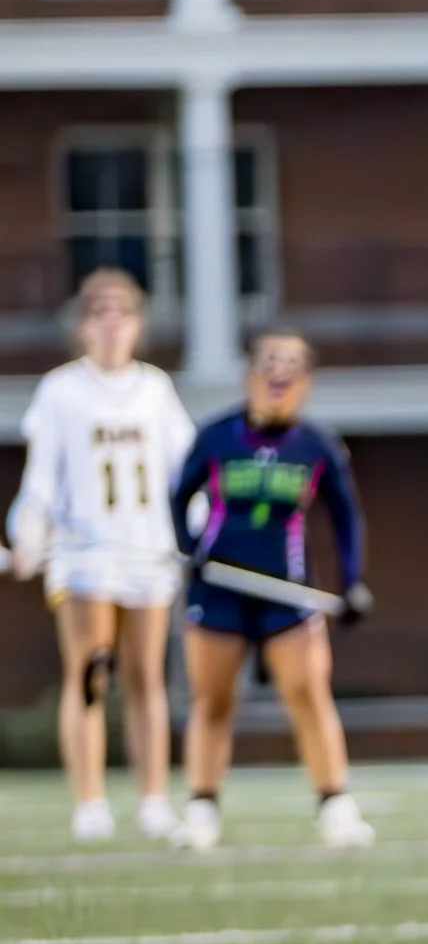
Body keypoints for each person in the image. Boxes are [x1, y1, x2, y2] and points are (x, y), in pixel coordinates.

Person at [6, 269, 194, 843]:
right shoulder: (61, 391)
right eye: (99, 312)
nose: (112, 322)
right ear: (83, 325)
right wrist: (28, 531)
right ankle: (89, 802)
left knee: (145, 680)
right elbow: (40, 481)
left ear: (138, 324)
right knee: (90, 676)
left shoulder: (156, 389)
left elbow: (184, 474)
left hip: (148, 557)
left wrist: (199, 531)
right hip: (85, 559)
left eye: (123, 311)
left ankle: (153, 798)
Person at [169, 329, 375, 850]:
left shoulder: (318, 446)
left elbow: (347, 519)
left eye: (293, 364)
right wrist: (189, 546)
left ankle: (334, 804)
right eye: (269, 362)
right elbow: (178, 497)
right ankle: (201, 807)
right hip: (218, 588)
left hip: (288, 589)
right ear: (250, 375)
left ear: (305, 381)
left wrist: (352, 584)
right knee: (213, 700)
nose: (279, 372)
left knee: (307, 694)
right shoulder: (215, 437)